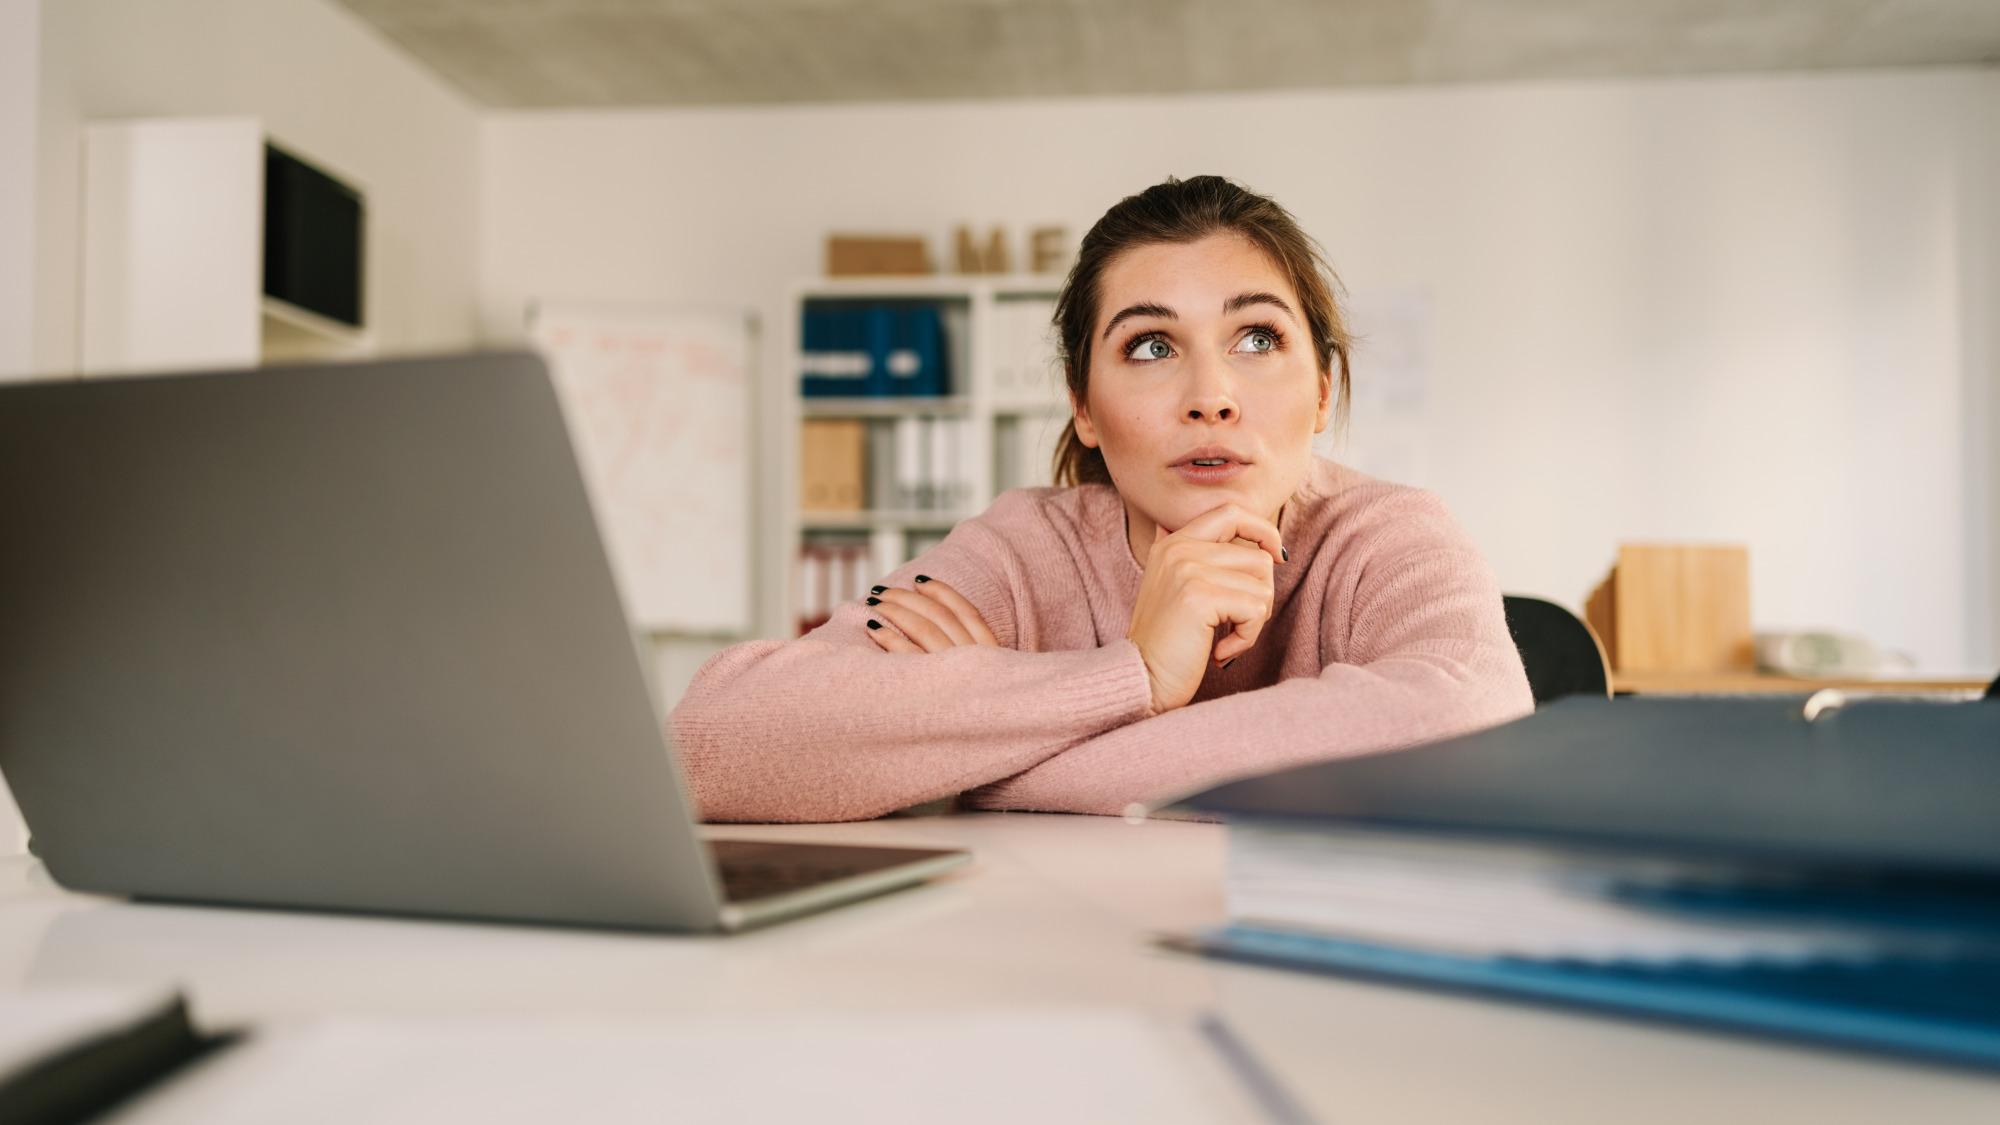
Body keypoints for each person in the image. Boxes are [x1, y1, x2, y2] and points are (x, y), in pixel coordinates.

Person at [673, 175, 1532, 822]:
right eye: (1152, 345)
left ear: (1321, 390)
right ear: (1083, 405)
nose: (1212, 396)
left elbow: (1473, 729)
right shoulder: (1022, 548)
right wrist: (1131, 674)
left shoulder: (1386, 536)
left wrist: (980, 761)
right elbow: (708, 741)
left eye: (1258, 337)